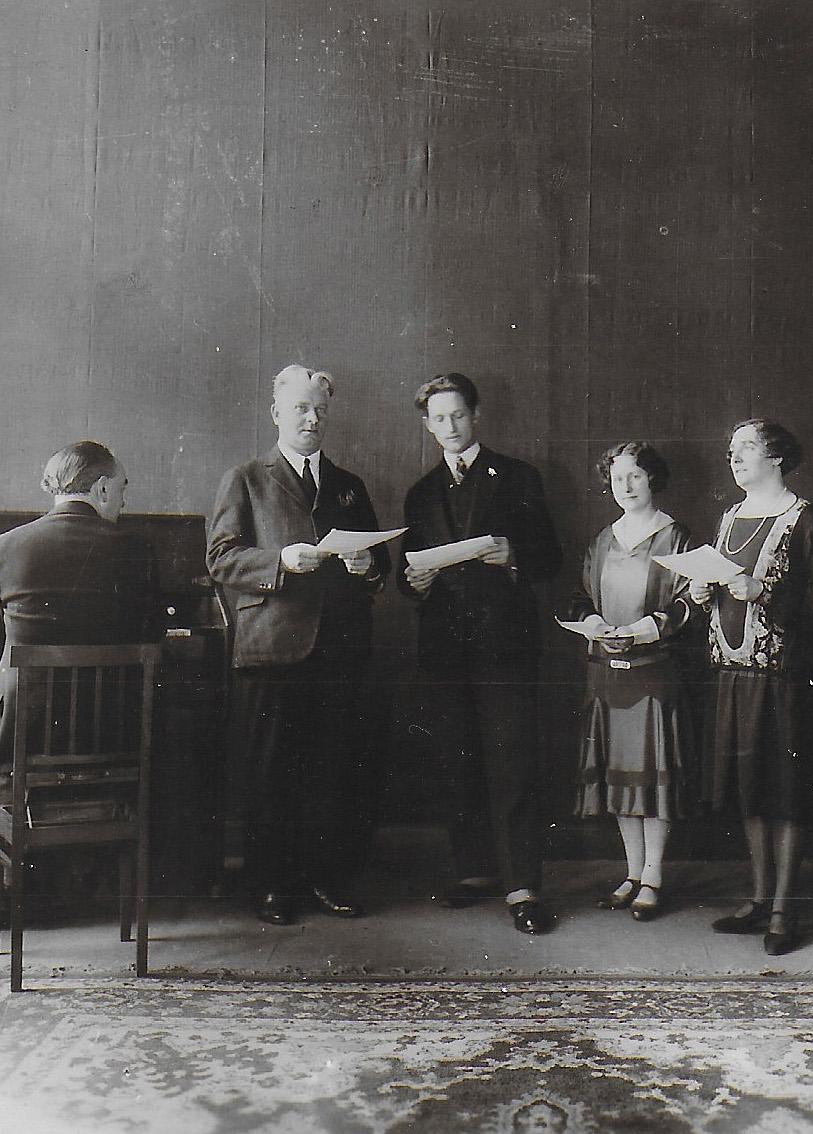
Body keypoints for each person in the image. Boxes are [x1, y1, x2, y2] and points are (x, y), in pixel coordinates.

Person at [207, 365, 390, 926]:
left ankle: (328, 879)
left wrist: (367, 565)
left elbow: (378, 563)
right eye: (301, 409)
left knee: (333, 770)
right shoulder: (245, 478)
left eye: (321, 411)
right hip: (272, 647)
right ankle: (273, 885)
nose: (313, 419)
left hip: (340, 648)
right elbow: (220, 558)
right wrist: (280, 561)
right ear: (277, 414)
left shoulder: (349, 484)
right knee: (270, 773)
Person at [399, 372, 562, 934]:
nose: (449, 426)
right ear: (427, 425)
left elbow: (550, 557)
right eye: (438, 419)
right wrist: (414, 583)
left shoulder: (517, 477)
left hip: (505, 645)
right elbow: (407, 576)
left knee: (512, 764)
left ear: (476, 415)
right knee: (458, 759)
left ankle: (522, 886)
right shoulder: (420, 492)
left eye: (458, 415)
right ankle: (475, 871)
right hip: (445, 649)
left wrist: (514, 553)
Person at [690, 419, 813, 956]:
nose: (734, 458)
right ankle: (758, 898)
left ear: (776, 457)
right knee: (750, 787)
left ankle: (784, 908)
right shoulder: (729, 518)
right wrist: (704, 591)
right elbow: (722, 587)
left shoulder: (806, 520)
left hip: (783, 678)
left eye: (746, 448)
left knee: (786, 790)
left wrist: (765, 593)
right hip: (733, 674)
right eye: (732, 449)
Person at [0, 441, 160, 801]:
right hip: (110, 733)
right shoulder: (138, 550)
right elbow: (153, 636)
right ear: (103, 488)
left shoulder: (2, 548)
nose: (123, 501)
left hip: (23, 736)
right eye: (122, 489)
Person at [565, 441, 699, 922]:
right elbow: (581, 597)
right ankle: (632, 871)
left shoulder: (675, 536)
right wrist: (595, 625)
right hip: (607, 674)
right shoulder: (604, 538)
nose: (625, 485)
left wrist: (646, 629)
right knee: (621, 776)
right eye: (617, 477)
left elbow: (690, 603)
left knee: (652, 777)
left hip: (654, 672)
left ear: (652, 479)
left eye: (635, 476)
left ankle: (654, 876)